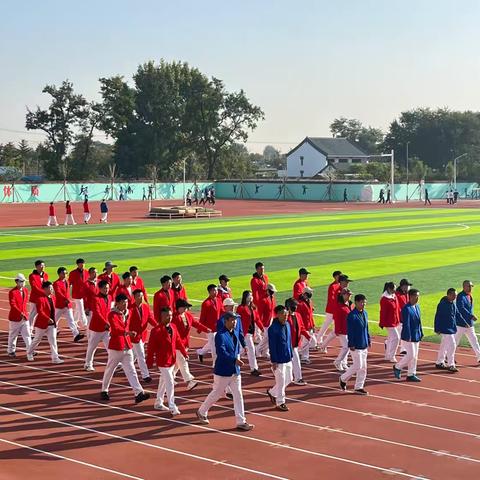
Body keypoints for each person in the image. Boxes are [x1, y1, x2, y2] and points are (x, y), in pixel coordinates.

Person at [196, 312, 254, 431]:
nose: (235, 322)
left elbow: (236, 346)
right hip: (223, 370)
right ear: (226, 321)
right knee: (216, 393)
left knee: (238, 395)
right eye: (233, 320)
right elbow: (221, 353)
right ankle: (201, 411)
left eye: (236, 320)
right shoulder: (220, 335)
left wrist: (242, 351)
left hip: (235, 371)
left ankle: (241, 421)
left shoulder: (235, 333)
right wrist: (234, 360)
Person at [100, 293, 150, 404]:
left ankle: (138, 393)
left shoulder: (128, 312)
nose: (125, 304)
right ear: (117, 303)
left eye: (126, 302)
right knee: (110, 369)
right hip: (116, 347)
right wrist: (127, 332)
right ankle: (104, 390)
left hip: (127, 346)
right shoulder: (112, 315)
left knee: (131, 371)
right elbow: (116, 329)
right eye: (123, 302)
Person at [146, 306, 187, 415]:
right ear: (161, 317)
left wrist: (184, 353)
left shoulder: (173, 327)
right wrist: (149, 362)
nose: (169, 318)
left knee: (163, 381)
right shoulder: (156, 331)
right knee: (169, 382)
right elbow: (151, 348)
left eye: (170, 315)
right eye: (167, 316)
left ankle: (158, 402)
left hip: (172, 360)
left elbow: (178, 341)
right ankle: (172, 406)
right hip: (163, 361)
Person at [172, 298, 209, 390]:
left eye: (186, 307)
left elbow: (195, 323)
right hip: (177, 344)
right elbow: (175, 334)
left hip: (185, 343)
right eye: (184, 307)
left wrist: (206, 329)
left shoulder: (187, 315)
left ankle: (170, 378)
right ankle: (189, 381)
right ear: (179, 308)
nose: (186, 309)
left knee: (177, 364)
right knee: (183, 362)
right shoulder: (173, 318)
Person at [339, 294, 370, 394]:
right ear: (356, 302)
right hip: (356, 345)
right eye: (361, 302)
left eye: (364, 302)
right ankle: (343, 378)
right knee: (358, 365)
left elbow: (366, 328)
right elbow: (350, 331)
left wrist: (368, 339)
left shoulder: (365, 313)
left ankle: (359, 387)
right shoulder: (352, 316)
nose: (363, 304)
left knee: (363, 367)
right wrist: (351, 344)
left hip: (364, 344)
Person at [26, 281, 63, 364]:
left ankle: (55, 358)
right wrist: (47, 319)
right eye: (50, 288)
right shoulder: (40, 299)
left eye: (52, 288)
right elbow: (40, 311)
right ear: (45, 289)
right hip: (41, 324)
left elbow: (53, 311)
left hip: (51, 324)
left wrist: (53, 321)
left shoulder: (53, 298)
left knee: (53, 340)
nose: (52, 290)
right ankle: (29, 353)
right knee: (37, 339)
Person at [267, 305, 293, 411]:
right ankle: (280, 402)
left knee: (289, 379)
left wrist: (291, 354)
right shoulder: (273, 329)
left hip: (287, 357)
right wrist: (274, 360)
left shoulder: (287, 324)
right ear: (277, 314)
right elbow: (272, 345)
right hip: (278, 360)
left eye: (286, 313)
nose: (285, 315)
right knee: (281, 381)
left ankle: (272, 392)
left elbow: (289, 341)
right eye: (283, 313)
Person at [393, 289, 423, 382]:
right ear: (410, 297)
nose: (417, 298)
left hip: (416, 334)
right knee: (411, 355)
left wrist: (421, 332)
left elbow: (419, 321)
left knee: (415, 356)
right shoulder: (406, 309)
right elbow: (407, 324)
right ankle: (398, 367)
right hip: (408, 336)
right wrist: (409, 336)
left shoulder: (417, 307)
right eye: (415, 296)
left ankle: (411, 374)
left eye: (418, 296)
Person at [129, 289, 157, 383]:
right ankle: (145, 375)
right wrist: (128, 332)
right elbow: (127, 322)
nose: (141, 298)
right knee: (141, 355)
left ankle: (124, 366)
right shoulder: (130, 309)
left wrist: (158, 326)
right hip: (134, 336)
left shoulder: (145, 307)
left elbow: (150, 318)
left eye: (141, 296)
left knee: (132, 355)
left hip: (143, 335)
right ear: (134, 297)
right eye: (138, 296)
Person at [84, 280, 111, 371]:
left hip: (106, 328)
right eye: (104, 288)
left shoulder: (110, 297)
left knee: (110, 346)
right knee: (92, 347)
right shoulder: (96, 298)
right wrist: (106, 323)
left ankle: (114, 361)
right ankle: (88, 364)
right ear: (99, 289)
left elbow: (109, 311)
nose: (106, 290)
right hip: (96, 328)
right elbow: (97, 313)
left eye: (107, 288)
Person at [53, 267, 84, 343]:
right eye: (64, 273)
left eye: (66, 273)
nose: (65, 274)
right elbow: (58, 293)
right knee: (54, 320)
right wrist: (65, 299)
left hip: (67, 306)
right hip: (60, 306)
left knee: (71, 320)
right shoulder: (56, 283)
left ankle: (76, 334)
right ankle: (51, 331)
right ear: (59, 274)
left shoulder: (67, 282)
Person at [236, 290, 263, 376]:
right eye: (249, 296)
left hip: (251, 332)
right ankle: (254, 368)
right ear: (245, 297)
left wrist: (262, 328)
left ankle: (230, 360)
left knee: (243, 350)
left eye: (251, 296)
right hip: (245, 332)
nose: (251, 297)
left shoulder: (253, 307)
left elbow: (257, 319)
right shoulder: (241, 308)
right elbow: (237, 320)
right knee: (251, 349)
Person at [196, 284, 223, 365]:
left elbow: (222, 311)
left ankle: (200, 352)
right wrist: (200, 328)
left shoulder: (218, 300)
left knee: (212, 343)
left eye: (216, 290)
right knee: (214, 346)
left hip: (218, 327)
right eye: (214, 290)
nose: (216, 292)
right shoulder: (206, 303)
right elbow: (202, 317)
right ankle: (216, 363)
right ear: (209, 292)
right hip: (209, 329)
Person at [285, 298, 309, 386]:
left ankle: (294, 378)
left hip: (295, 343)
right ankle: (298, 378)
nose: (295, 307)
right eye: (293, 305)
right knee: (294, 360)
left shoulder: (298, 315)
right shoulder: (285, 317)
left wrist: (307, 335)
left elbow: (301, 327)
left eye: (296, 305)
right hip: (288, 344)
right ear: (288, 307)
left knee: (291, 361)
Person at [434, 288, 459, 372]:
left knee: (444, 345)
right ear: (448, 295)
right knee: (452, 345)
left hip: (451, 328)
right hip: (445, 328)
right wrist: (437, 328)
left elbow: (455, 314)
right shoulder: (442, 304)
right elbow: (437, 316)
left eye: (456, 295)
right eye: (453, 295)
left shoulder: (453, 303)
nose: (455, 297)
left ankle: (439, 362)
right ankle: (451, 364)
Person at [316, 271, 343, 349]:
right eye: (339, 276)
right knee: (326, 325)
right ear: (335, 277)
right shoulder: (332, 286)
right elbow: (332, 299)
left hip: (336, 309)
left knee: (336, 327)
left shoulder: (339, 285)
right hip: (331, 310)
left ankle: (321, 341)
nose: (340, 277)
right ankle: (318, 340)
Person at [455, 280, 480, 363]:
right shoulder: (460, 296)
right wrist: (471, 316)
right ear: (464, 286)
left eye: (471, 286)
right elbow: (461, 308)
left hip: (469, 324)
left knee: (474, 340)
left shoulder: (469, 296)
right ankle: (448, 357)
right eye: (469, 286)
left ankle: (479, 357)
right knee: (455, 342)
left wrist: (470, 317)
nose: (470, 288)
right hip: (460, 324)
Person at [7, 273, 31, 358]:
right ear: (16, 282)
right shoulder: (12, 292)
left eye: (24, 281)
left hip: (24, 317)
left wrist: (24, 313)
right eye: (21, 281)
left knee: (27, 334)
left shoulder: (25, 290)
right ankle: (11, 351)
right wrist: (20, 313)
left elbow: (24, 303)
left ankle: (30, 350)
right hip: (15, 318)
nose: (23, 283)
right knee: (13, 335)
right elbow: (13, 304)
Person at [332, 288, 353, 371]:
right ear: (342, 295)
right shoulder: (339, 306)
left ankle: (344, 362)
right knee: (346, 347)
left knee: (347, 346)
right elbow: (337, 319)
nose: (349, 296)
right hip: (342, 330)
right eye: (348, 294)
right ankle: (337, 361)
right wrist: (337, 330)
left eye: (350, 295)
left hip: (347, 329)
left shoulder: (348, 304)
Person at [379, 282, 400, 362]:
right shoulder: (384, 299)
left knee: (391, 338)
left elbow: (397, 309)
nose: (395, 290)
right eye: (394, 289)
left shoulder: (393, 296)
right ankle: (392, 356)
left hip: (395, 320)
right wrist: (382, 322)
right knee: (396, 338)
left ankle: (388, 355)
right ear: (389, 289)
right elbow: (383, 312)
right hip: (389, 322)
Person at [255, 283, 277, 359]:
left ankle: (265, 351)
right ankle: (258, 349)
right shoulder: (263, 300)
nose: (273, 292)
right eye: (272, 291)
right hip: (265, 322)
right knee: (267, 337)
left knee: (269, 337)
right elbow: (259, 313)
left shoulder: (272, 297)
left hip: (270, 319)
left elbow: (273, 309)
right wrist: (260, 324)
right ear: (267, 290)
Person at [297, 287, 316, 363]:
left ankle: (300, 353)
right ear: (304, 294)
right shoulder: (300, 304)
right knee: (306, 341)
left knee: (312, 341)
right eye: (309, 293)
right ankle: (304, 357)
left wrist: (313, 325)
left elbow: (311, 315)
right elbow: (298, 317)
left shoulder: (310, 302)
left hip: (309, 325)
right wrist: (301, 327)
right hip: (304, 326)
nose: (311, 294)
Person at [68, 258, 89, 328]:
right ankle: (85, 324)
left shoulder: (86, 272)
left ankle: (74, 321)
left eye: (83, 263)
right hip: (77, 294)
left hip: (85, 294)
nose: (82, 265)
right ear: (78, 264)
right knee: (81, 308)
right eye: (81, 264)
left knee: (77, 309)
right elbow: (69, 283)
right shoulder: (72, 273)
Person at [28, 260, 49, 328]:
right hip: (35, 298)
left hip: (43, 298)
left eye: (44, 265)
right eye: (41, 265)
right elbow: (34, 287)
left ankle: (45, 328)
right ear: (37, 266)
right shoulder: (32, 276)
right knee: (32, 315)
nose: (43, 267)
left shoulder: (45, 275)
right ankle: (29, 329)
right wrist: (44, 292)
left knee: (44, 313)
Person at [396, 278, 412, 355]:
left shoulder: (407, 294)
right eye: (408, 286)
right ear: (403, 286)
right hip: (399, 317)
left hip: (406, 317)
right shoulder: (397, 295)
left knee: (404, 332)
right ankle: (387, 342)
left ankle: (403, 348)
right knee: (398, 335)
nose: (409, 287)